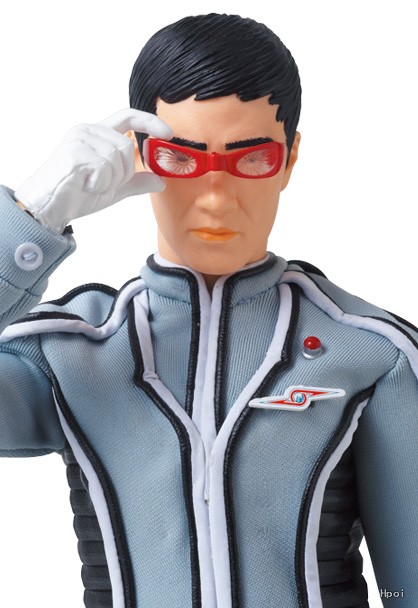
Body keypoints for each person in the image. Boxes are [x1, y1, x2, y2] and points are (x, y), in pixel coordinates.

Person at [0, 12, 416, 608]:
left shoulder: (372, 353)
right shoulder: (70, 351)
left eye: (251, 158)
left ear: (289, 159)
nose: (216, 198)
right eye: (181, 158)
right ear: (141, 156)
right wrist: (30, 216)